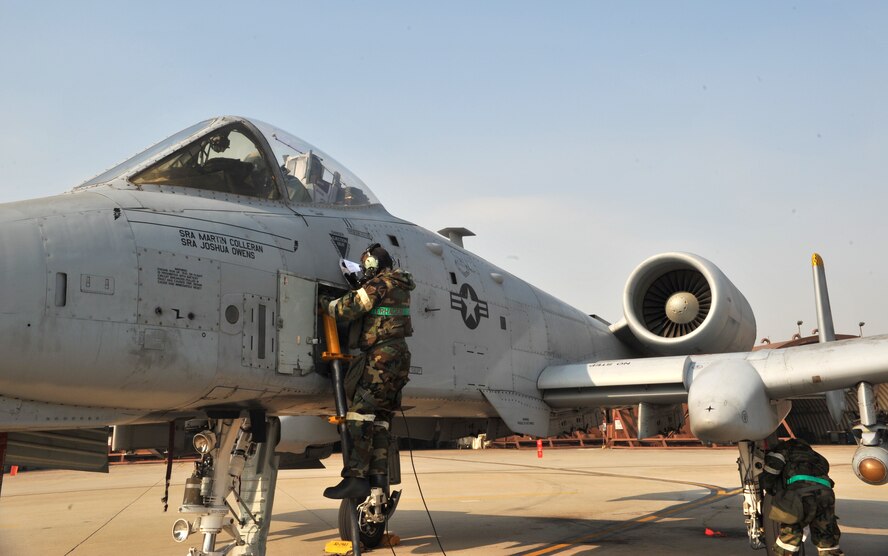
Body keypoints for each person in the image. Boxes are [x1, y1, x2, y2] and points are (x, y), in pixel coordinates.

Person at [322, 243, 415, 499]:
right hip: (398, 356)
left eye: (366, 266)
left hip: (381, 357)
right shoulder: (399, 285)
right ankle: (377, 476)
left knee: (359, 416)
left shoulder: (380, 284)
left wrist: (326, 304)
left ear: (373, 264)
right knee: (381, 421)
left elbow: (348, 308)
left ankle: (355, 476)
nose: (364, 270)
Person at [760, 438, 843, 555]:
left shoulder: (783, 451)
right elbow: (825, 469)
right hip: (825, 494)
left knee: (790, 536)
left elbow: (770, 474)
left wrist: (772, 491)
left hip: (799, 496)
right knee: (826, 537)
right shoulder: (815, 456)